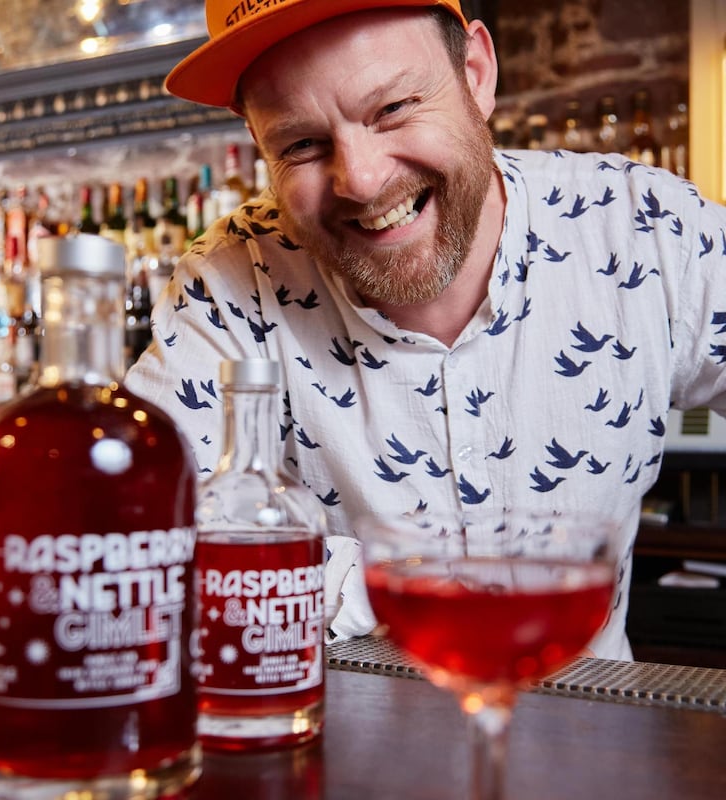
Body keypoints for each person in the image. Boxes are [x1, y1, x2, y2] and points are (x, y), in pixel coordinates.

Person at [126, 0, 726, 659]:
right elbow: (129, 527)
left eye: (393, 108)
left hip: (593, 738)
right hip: (347, 752)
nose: (361, 179)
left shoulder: (644, 229)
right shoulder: (229, 282)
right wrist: (386, 585)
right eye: (301, 144)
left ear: (475, 71)